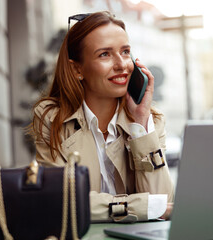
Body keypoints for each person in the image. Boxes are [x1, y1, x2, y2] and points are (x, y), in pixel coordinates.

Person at [30, 11, 174, 222]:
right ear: (77, 68)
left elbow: (162, 202)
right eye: (104, 54)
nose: (121, 64)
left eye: (125, 52)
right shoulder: (52, 120)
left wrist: (140, 126)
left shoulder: (150, 119)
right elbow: (64, 202)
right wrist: (141, 207)